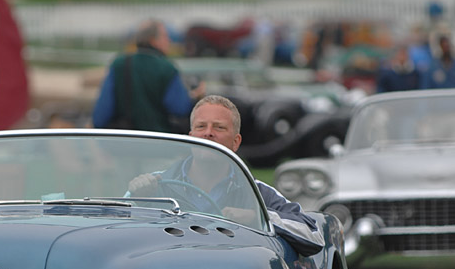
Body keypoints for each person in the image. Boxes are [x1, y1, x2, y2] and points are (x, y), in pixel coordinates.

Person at [127, 95, 321, 254]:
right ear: (190, 137)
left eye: (219, 127)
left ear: (236, 142)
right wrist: (139, 197)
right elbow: (118, 231)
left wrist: (258, 217)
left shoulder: (256, 192)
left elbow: (313, 235)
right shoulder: (156, 184)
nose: (208, 133)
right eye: (201, 127)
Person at [92, 19, 204, 133]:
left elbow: (100, 116)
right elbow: (180, 108)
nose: (169, 41)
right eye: (165, 36)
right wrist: (194, 98)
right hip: (158, 141)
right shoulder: (167, 68)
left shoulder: (119, 64)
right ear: (153, 40)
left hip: (123, 141)